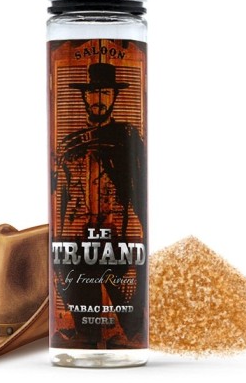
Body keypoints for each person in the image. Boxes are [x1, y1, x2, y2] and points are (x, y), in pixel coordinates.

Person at [51, 62, 147, 348]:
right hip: (75, 248)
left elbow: (140, 194)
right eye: (93, 92)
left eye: (106, 92)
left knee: (132, 328)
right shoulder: (68, 146)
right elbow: (62, 201)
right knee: (84, 336)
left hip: (121, 245)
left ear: (114, 97)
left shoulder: (128, 138)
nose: (99, 99)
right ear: (84, 96)